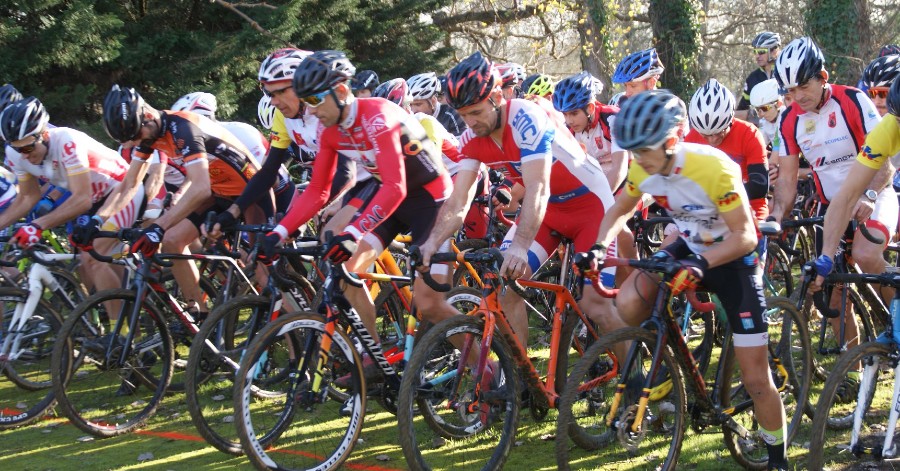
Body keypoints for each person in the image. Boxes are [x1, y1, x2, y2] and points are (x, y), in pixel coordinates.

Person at [580, 90, 789, 470]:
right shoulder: (645, 168)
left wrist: (700, 266)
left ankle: (777, 459)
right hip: (691, 247)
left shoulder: (713, 167)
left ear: (671, 141)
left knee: (757, 379)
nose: (638, 160)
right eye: (635, 152)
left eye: (644, 150)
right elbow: (617, 211)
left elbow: (745, 236)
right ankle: (669, 362)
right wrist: (597, 246)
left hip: (732, 257)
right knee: (628, 302)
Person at [258, 50, 458, 383]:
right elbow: (317, 192)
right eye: (304, 99)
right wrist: (278, 232)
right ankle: (375, 358)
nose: (309, 108)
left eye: (313, 98)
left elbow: (395, 185)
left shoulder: (377, 116)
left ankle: (487, 366)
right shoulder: (333, 131)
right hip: (394, 201)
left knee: (428, 302)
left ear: (339, 92)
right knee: (348, 274)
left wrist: (353, 231)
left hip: (430, 200)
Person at [418, 51, 619, 350]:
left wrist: (521, 246)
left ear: (497, 96)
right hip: (550, 212)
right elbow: (459, 200)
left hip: (591, 208)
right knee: (503, 287)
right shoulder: (471, 139)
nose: (470, 122)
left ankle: (634, 378)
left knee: (596, 306)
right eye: (462, 115)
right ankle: (521, 380)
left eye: (476, 112)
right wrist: (432, 244)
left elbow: (538, 187)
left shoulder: (526, 117)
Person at [95, 85, 268, 319]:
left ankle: (301, 336)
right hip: (220, 195)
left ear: (147, 117)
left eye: (135, 136)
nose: (135, 143)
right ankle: (201, 316)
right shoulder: (149, 135)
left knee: (265, 271)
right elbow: (128, 185)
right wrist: (97, 221)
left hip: (251, 194)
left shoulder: (183, 127)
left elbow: (199, 186)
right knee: (172, 241)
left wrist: (159, 225)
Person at [771, 37, 896, 356]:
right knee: (833, 292)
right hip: (832, 207)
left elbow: (884, 164)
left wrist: (868, 193)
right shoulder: (788, 120)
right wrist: (775, 215)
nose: (797, 97)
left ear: (822, 77)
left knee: (867, 256)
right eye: (789, 91)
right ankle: (852, 371)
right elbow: (786, 180)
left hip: (874, 192)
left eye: (802, 87)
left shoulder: (853, 100)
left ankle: (896, 320)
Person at [0, 97, 138, 300]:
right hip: (93, 199)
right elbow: (28, 197)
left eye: (28, 148)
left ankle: (124, 331)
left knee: (93, 258)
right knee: (86, 261)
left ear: (44, 135)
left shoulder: (66, 140)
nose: (24, 156)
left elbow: (82, 199)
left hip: (121, 190)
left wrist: (37, 226)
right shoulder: (17, 153)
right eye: (17, 149)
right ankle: (122, 312)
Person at [685, 78, 769, 259]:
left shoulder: (750, 134)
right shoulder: (691, 138)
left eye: (719, 132)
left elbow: (760, 185)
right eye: (705, 135)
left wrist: (717, 197)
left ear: (731, 119)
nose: (712, 140)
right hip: (706, 216)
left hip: (750, 211)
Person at [735, 31, 781, 121]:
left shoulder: (784, 72)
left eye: (761, 52)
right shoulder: (752, 78)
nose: (757, 56)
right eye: (755, 52)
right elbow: (743, 108)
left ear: (774, 51)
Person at [407, 72, 466, 136]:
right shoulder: (409, 118)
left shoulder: (451, 115)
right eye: (410, 105)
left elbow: (461, 142)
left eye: (418, 104)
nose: (413, 110)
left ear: (433, 101)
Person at [749, 78, 785, 147]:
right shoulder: (764, 122)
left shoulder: (789, 117)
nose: (761, 114)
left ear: (778, 103)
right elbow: (758, 145)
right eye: (757, 110)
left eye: (765, 108)